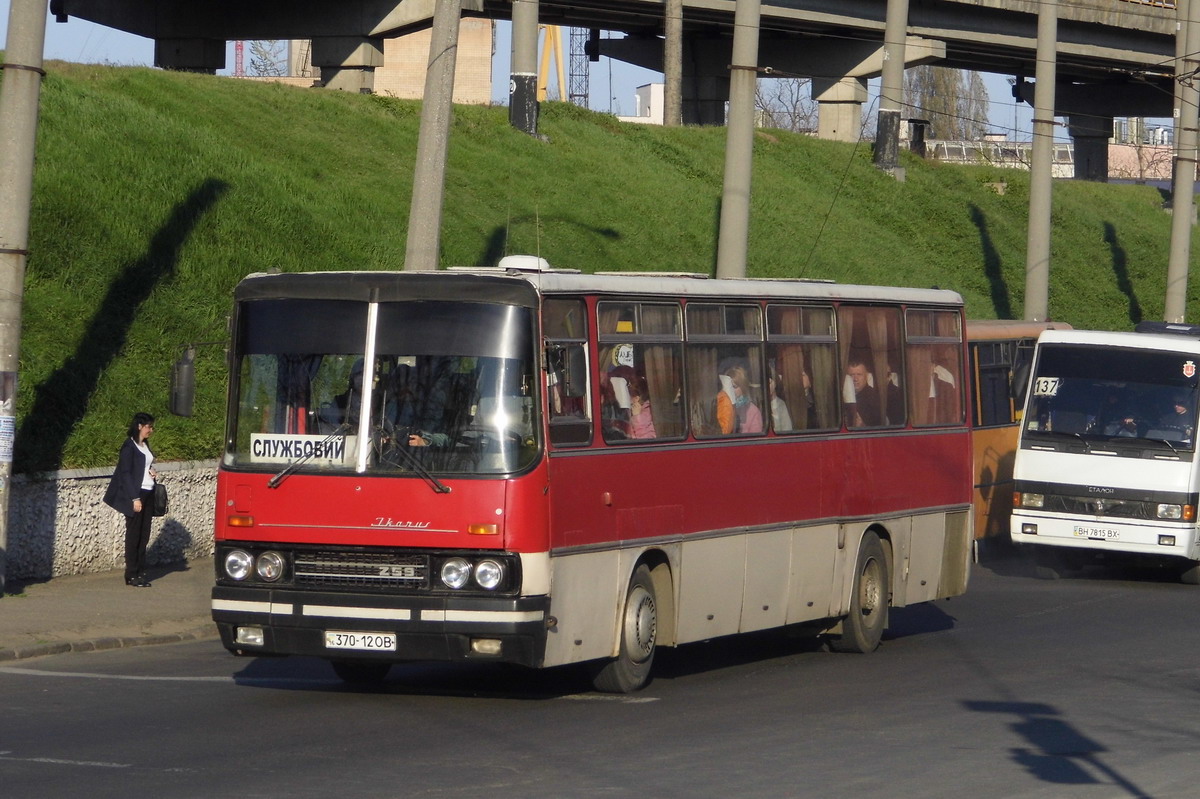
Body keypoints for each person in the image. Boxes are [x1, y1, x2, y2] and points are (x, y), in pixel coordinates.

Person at [103, 412, 158, 587]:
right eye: (149, 426)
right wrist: (134, 498)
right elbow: (125, 474)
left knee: (144, 534)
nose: (151, 430)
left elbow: (143, 465)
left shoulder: (144, 445)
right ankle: (131, 574)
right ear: (139, 426)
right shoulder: (129, 446)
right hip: (137, 494)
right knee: (134, 535)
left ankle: (141, 571)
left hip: (148, 492)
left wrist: (152, 471)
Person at [844, 358, 882, 427]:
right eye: (851, 375)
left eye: (859, 374)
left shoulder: (874, 397)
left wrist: (863, 426)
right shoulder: (841, 396)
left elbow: (880, 427)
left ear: (866, 376)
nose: (855, 379)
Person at [726, 365, 764, 434]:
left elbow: (755, 441)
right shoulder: (722, 408)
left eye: (734, 387)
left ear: (743, 387)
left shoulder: (753, 412)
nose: (731, 390)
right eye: (728, 387)